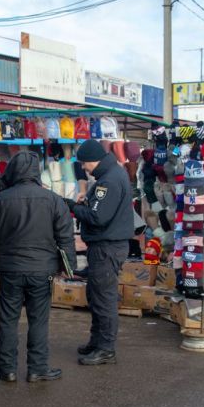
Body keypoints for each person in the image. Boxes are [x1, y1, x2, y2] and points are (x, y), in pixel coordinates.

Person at [0, 151, 75, 383]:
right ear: (37, 172)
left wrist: (1, 255)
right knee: (39, 319)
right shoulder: (53, 200)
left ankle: (7, 369)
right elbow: (65, 237)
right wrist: (69, 267)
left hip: (10, 269)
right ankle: (37, 368)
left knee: (7, 320)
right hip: (42, 270)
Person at [66, 140, 134, 366]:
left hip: (107, 248)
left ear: (93, 160)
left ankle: (105, 348)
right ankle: (97, 342)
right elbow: (101, 209)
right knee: (96, 296)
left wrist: (73, 207)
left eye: (85, 163)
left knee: (103, 299)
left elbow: (97, 217)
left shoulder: (109, 181)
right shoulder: (111, 175)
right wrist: (87, 200)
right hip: (106, 246)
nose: (84, 168)